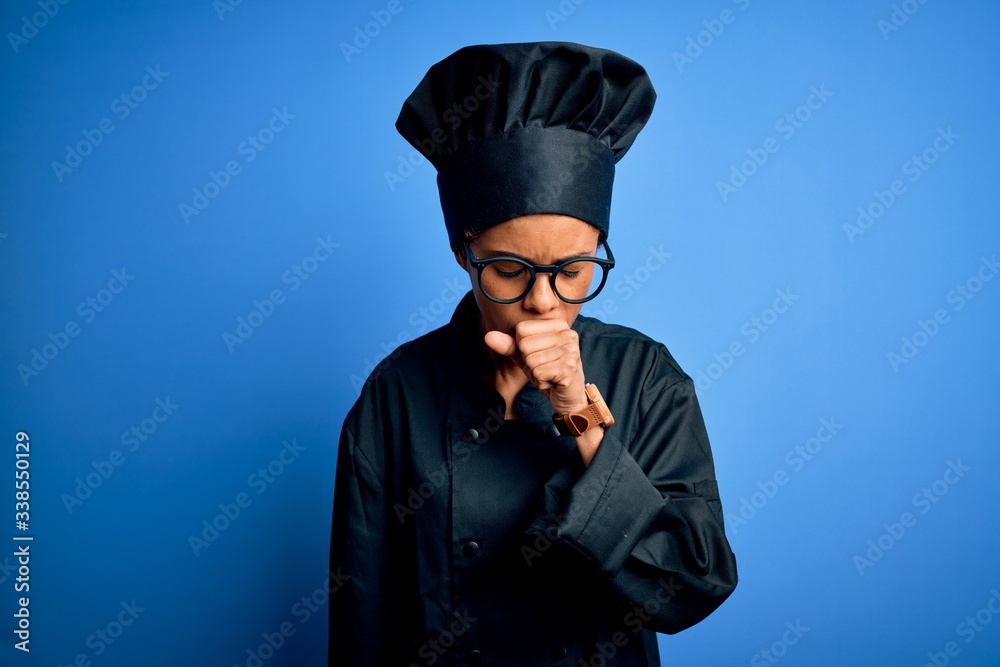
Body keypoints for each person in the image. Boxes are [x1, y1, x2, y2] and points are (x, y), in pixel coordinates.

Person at [329, 42, 738, 667]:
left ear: (598, 249)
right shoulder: (397, 394)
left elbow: (695, 583)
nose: (544, 302)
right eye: (510, 269)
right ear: (464, 254)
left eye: (572, 271)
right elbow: (362, 617)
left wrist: (580, 416)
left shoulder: (647, 377)